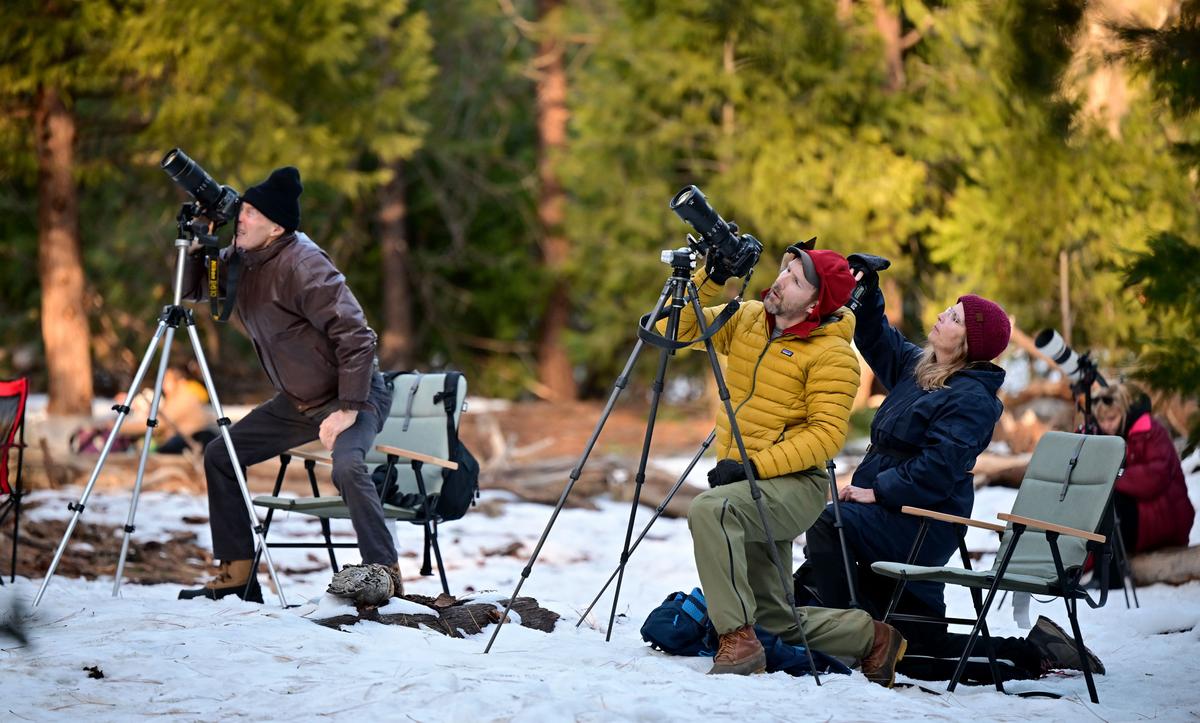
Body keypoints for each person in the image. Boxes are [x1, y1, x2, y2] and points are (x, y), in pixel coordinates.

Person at [666, 245, 907, 686]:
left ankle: (738, 642)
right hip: (743, 482)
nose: (779, 281)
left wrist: (753, 468)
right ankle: (871, 637)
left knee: (710, 510)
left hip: (794, 485)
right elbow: (671, 331)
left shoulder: (833, 355)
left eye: (795, 280)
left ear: (815, 302)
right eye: (784, 270)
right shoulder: (749, 319)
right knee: (776, 621)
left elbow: (825, 437)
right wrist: (709, 277)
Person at [177, 166, 395, 603]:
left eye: (252, 212)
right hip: (297, 401)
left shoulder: (304, 264)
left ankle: (383, 574)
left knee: (348, 466)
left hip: (353, 394)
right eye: (244, 207)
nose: (241, 216)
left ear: (276, 227)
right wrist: (196, 246)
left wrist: (348, 408)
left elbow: (357, 337)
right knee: (221, 454)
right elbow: (194, 292)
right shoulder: (243, 256)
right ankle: (237, 575)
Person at [1093, 383, 1193, 571]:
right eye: (1101, 420)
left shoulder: (1150, 432)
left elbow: (1154, 478)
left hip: (1168, 514)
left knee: (1113, 504)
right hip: (1145, 511)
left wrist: (1114, 477)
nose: (1106, 425)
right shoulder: (1112, 434)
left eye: (1111, 418)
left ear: (1123, 411)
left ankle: (1109, 575)